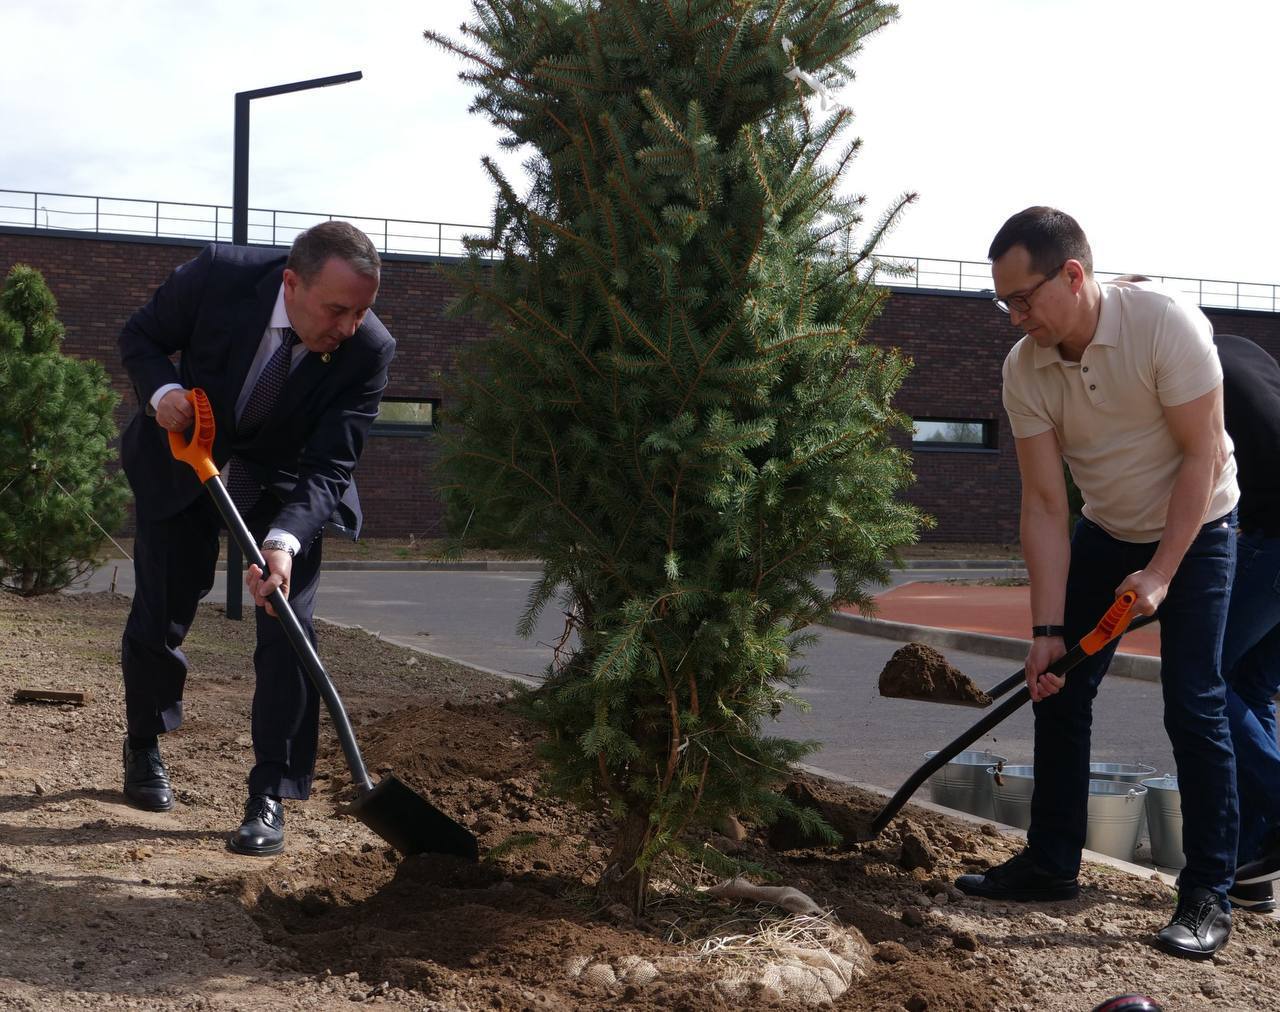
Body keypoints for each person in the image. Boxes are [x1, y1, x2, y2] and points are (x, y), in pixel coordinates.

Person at [954, 208, 1240, 961]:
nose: (1015, 318)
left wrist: (1163, 573)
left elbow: (1201, 458)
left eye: (1024, 299)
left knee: (1194, 700)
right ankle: (1050, 864)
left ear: (1074, 276)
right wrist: (1046, 632)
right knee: (1059, 688)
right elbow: (1047, 504)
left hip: (1200, 527)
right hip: (1107, 529)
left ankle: (1209, 892)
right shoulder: (1025, 367)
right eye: (1003, 304)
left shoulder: (1165, 326)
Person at [117, 221, 395, 856]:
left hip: (287, 484)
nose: (349, 326)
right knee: (160, 616)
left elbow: (331, 465)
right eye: (337, 309)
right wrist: (162, 391)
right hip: (187, 454)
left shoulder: (369, 349)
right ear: (291, 283)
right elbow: (142, 336)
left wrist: (284, 543)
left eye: (363, 311)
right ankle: (143, 742)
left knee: (290, 634)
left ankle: (270, 790)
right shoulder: (220, 275)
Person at [1212, 333, 1280, 912]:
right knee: (1252, 688)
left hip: (1275, 536)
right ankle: (1249, 867)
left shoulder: (1185, 365)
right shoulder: (1243, 348)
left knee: (1204, 681)